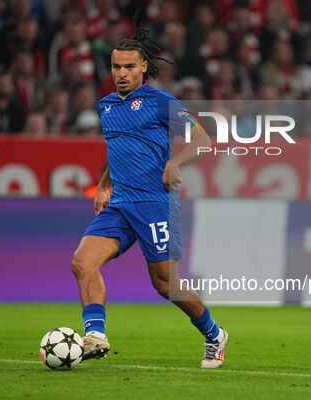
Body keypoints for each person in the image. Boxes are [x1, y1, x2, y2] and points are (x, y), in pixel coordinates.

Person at [71, 22, 229, 369]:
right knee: (83, 262)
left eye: (129, 67)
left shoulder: (162, 103)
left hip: (155, 203)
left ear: (143, 67)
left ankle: (214, 334)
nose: (122, 73)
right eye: (116, 67)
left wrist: (176, 161)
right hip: (120, 204)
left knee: (165, 283)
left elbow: (203, 140)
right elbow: (117, 148)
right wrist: (102, 184)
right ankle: (95, 335)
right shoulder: (107, 106)